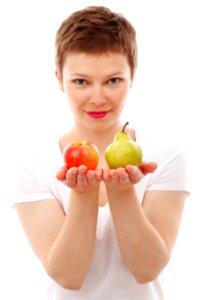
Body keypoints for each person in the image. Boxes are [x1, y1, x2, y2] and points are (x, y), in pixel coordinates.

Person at [14, 6, 188, 300]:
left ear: (132, 77)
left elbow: (148, 269)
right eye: (81, 81)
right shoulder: (34, 165)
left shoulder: (165, 157)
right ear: (59, 80)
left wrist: (122, 192)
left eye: (113, 80)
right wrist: (83, 194)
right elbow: (69, 276)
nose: (97, 98)